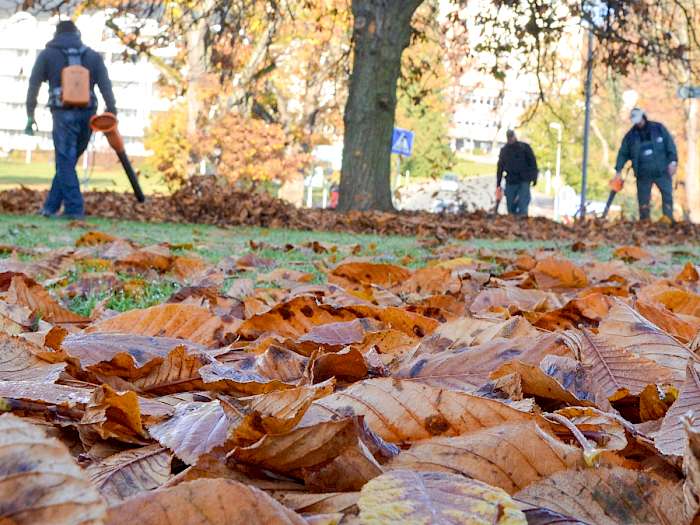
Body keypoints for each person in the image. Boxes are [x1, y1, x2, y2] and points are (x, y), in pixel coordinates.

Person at [25, 20, 117, 219]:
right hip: (89, 114)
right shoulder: (92, 56)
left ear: (56, 34)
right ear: (77, 33)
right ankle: (50, 207)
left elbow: (33, 85)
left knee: (65, 160)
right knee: (68, 161)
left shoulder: (47, 55)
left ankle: (74, 210)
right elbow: (105, 85)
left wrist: (30, 114)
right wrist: (112, 110)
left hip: (62, 113)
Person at [612, 108, 678, 221]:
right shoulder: (630, 137)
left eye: (639, 120)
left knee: (667, 196)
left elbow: (670, 145)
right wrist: (618, 171)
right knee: (643, 200)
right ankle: (645, 223)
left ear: (643, 117)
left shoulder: (659, 129)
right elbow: (622, 154)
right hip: (643, 174)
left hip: (662, 171)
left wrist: (673, 162)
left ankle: (668, 220)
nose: (638, 123)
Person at [496, 130, 539, 216]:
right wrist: (498, 184)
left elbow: (533, 163)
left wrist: (534, 178)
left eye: (511, 136)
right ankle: (513, 225)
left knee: (523, 206)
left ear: (514, 136)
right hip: (511, 180)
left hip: (524, 180)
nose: (510, 139)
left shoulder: (525, 148)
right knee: (511, 207)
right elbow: (500, 167)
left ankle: (522, 224)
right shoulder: (505, 150)